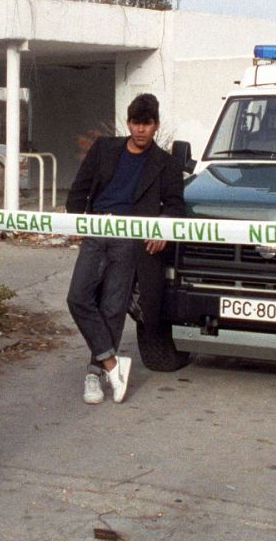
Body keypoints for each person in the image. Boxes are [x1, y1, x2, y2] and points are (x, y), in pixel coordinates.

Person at [65, 93, 186, 404]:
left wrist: (163, 228)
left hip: (131, 240)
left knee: (113, 307)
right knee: (78, 296)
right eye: (135, 123)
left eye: (146, 124)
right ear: (128, 122)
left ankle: (94, 375)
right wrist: (76, 221)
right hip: (97, 231)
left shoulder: (167, 164)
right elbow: (79, 187)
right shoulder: (104, 148)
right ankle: (111, 363)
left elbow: (174, 205)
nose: (140, 130)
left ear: (156, 125)